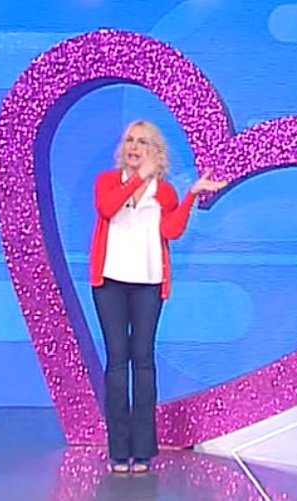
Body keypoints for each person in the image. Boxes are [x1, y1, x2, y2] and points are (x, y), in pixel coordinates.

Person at [88, 120, 227, 474]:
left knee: (143, 360)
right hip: (110, 283)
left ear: (155, 151)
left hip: (148, 284)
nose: (135, 147)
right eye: (130, 140)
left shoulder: (164, 192)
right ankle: (118, 449)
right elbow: (107, 209)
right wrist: (137, 178)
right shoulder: (108, 181)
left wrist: (191, 195)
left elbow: (171, 231)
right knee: (117, 361)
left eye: (143, 142)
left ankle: (143, 450)